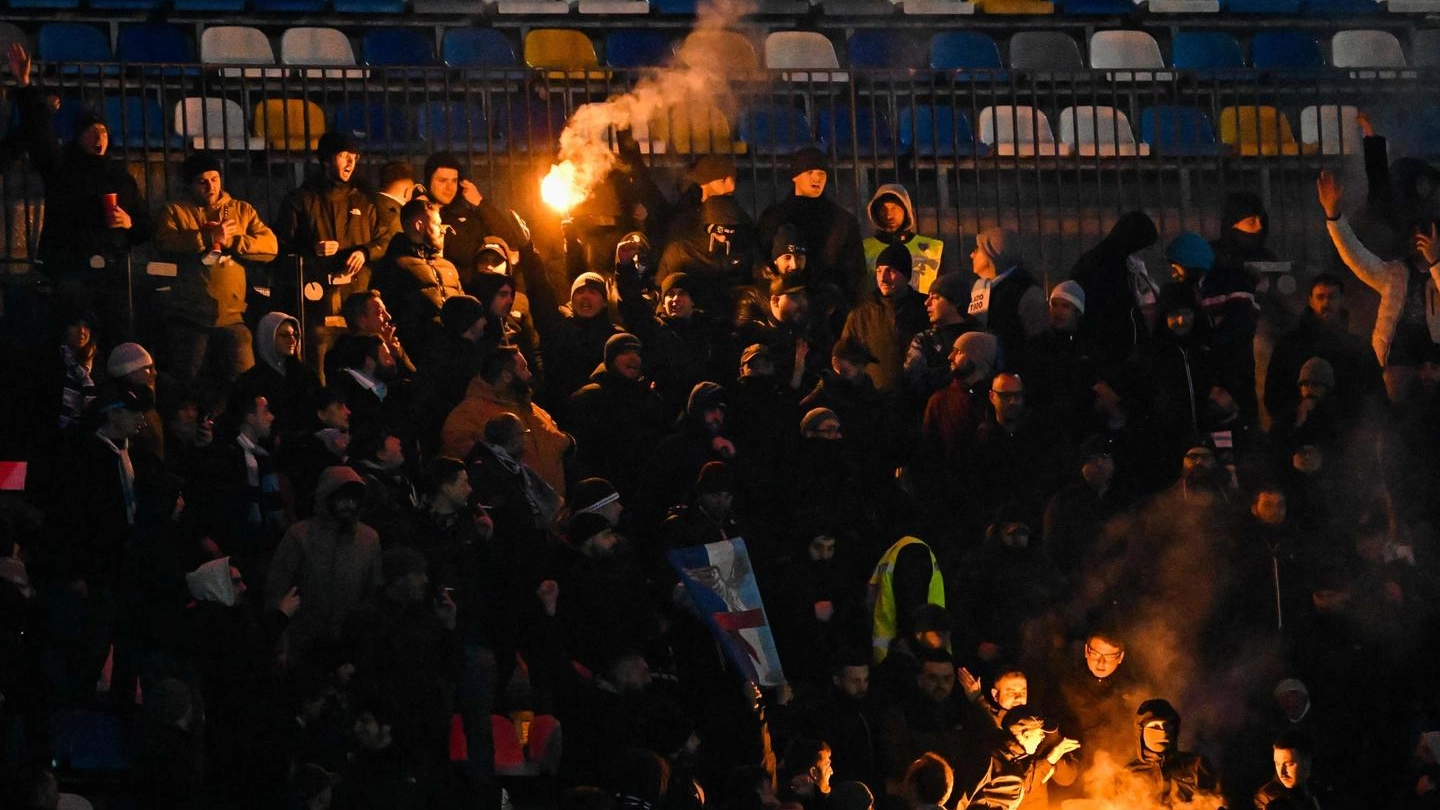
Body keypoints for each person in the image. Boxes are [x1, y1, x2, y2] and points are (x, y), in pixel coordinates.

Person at [6, 44, 152, 338]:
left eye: (104, 133)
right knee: (73, 336)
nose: (99, 137)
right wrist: (25, 86)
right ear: (78, 137)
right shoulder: (62, 167)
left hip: (111, 272)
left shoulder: (121, 178)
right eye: (91, 131)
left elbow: (144, 226)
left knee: (116, 335)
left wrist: (130, 223)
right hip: (70, 268)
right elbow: (40, 136)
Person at [274, 131, 395, 379]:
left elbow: (385, 239)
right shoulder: (301, 199)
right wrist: (311, 251)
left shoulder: (366, 201)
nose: (351, 162)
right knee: (318, 364)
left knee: (362, 364)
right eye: (343, 156)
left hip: (357, 301)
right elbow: (280, 246)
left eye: (354, 156)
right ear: (327, 160)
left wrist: (365, 251)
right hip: (316, 305)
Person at [1317, 168, 1440, 403]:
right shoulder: (1395, 273)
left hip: (1434, 366)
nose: (1419, 238)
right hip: (1395, 365)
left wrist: (1435, 262)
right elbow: (1356, 257)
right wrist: (1334, 216)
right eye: (1414, 232)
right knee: (1394, 420)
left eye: (1426, 231)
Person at [156, 151, 278, 385]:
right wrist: (206, 236)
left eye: (214, 179)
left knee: (243, 383)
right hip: (189, 318)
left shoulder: (241, 211)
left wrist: (234, 241)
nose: (210, 186)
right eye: (202, 181)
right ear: (190, 185)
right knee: (189, 384)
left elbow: (270, 246)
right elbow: (165, 242)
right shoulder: (174, 211)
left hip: (232, 316)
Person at [264, 465, 383, 662]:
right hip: (302, 643)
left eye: (353, 498)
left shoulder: (368, 539)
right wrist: (281, 645)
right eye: (341, 497)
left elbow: (371, 595)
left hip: (346, 645)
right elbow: (277, 590)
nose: (348, 504)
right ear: (327, 498)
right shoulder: (300, 535)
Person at [442, 345, 570, 500]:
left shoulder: (530, 408)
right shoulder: (468, 416)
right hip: (514, 510)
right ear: (506, 376)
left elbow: (554, 444)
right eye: (523, 368)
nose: (529, 374)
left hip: (551, 509)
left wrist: (568, 442)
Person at [755, 147, 867, 303]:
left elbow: (856, 273)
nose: (817, 178)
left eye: (822, 173)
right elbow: (761, 262)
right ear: (795, 176)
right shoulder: (774, 217)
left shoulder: (843, 221)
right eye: (810, 172)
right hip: (783, 305)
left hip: (828, 308)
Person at [371, 199, 463, 358]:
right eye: (436, 224)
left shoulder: (448, 268)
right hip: (417, 359)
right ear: (419, 226)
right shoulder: (391, 268)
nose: (442, 230)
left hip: (453, 357)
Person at [1070, 211, 1161, 367]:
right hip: (1109, 349)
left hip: (1108, 347)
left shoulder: (1111, 261)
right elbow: (1119, 308)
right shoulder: (1110, 265)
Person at [839, 243, 929, 394]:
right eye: (879, 271)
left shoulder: (925, 308)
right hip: (876, 403)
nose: (883, 278)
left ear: (906, 274)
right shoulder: (860, 315)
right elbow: (845, 356)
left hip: (918, 400)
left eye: (890, 271)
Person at [958, 705, 1081, 810]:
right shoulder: (987, 759)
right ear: (1026, 735)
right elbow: (959, 799)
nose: (1043, 737)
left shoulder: (1014, 758)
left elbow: (1023, 783)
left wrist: (1050, 759)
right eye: (1040, 733)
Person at [968, 228, 1048, 366]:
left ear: (992, 253)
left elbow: (1038, 342)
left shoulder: (1025, 290)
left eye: (977, 249)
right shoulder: (981, 289)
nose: (971, 255)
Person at [1122, 699, 1222, 807]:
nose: (1163, 732)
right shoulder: (1128, 774)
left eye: (1167, 725)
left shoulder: (1196, 765)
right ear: (1141, 731)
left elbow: (1216, 803)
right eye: (1154, 726)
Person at [235, 312, 321, 435]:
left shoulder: (306, 375)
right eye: (285, 335)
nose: (292, 340)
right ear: (269, 337)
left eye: (294, 334)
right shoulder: (251, 380)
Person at [904, 273, 975, 403]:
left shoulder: (978, 339)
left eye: (935, 297)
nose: (927, 302)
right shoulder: (925, 340)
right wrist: (956, 369)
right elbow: (914, 381)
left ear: (954, 302)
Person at [862, 184, 944, 295]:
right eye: (883, 209)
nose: (889, 215)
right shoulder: (864, 248)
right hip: (876, 311)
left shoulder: (933, 248)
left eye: (894, 209)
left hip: (922, 310)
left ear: (906, 210)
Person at [1254, 731, 1324, 810]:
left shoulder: (1324, 780)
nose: (1281, 773)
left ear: (1306, 761)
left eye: (1288, 764)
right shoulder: (1267, 797)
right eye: (1277, 764)